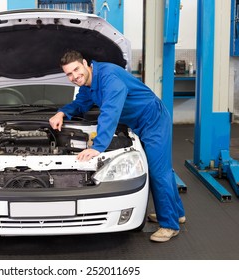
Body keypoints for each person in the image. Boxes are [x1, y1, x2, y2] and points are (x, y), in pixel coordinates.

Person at [49, 50, 186, 242]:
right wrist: (62, 113)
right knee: (162, 168)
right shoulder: (89, 83)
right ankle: (176, 212)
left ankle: (170, 225)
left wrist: (98, 146)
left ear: (85, 63)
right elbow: (81, 103)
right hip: (137, 122)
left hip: (153, 120)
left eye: (76, 70)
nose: (74, 76)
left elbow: (110, 112)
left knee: (158, 171)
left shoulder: (108, 77)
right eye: (69, 74)